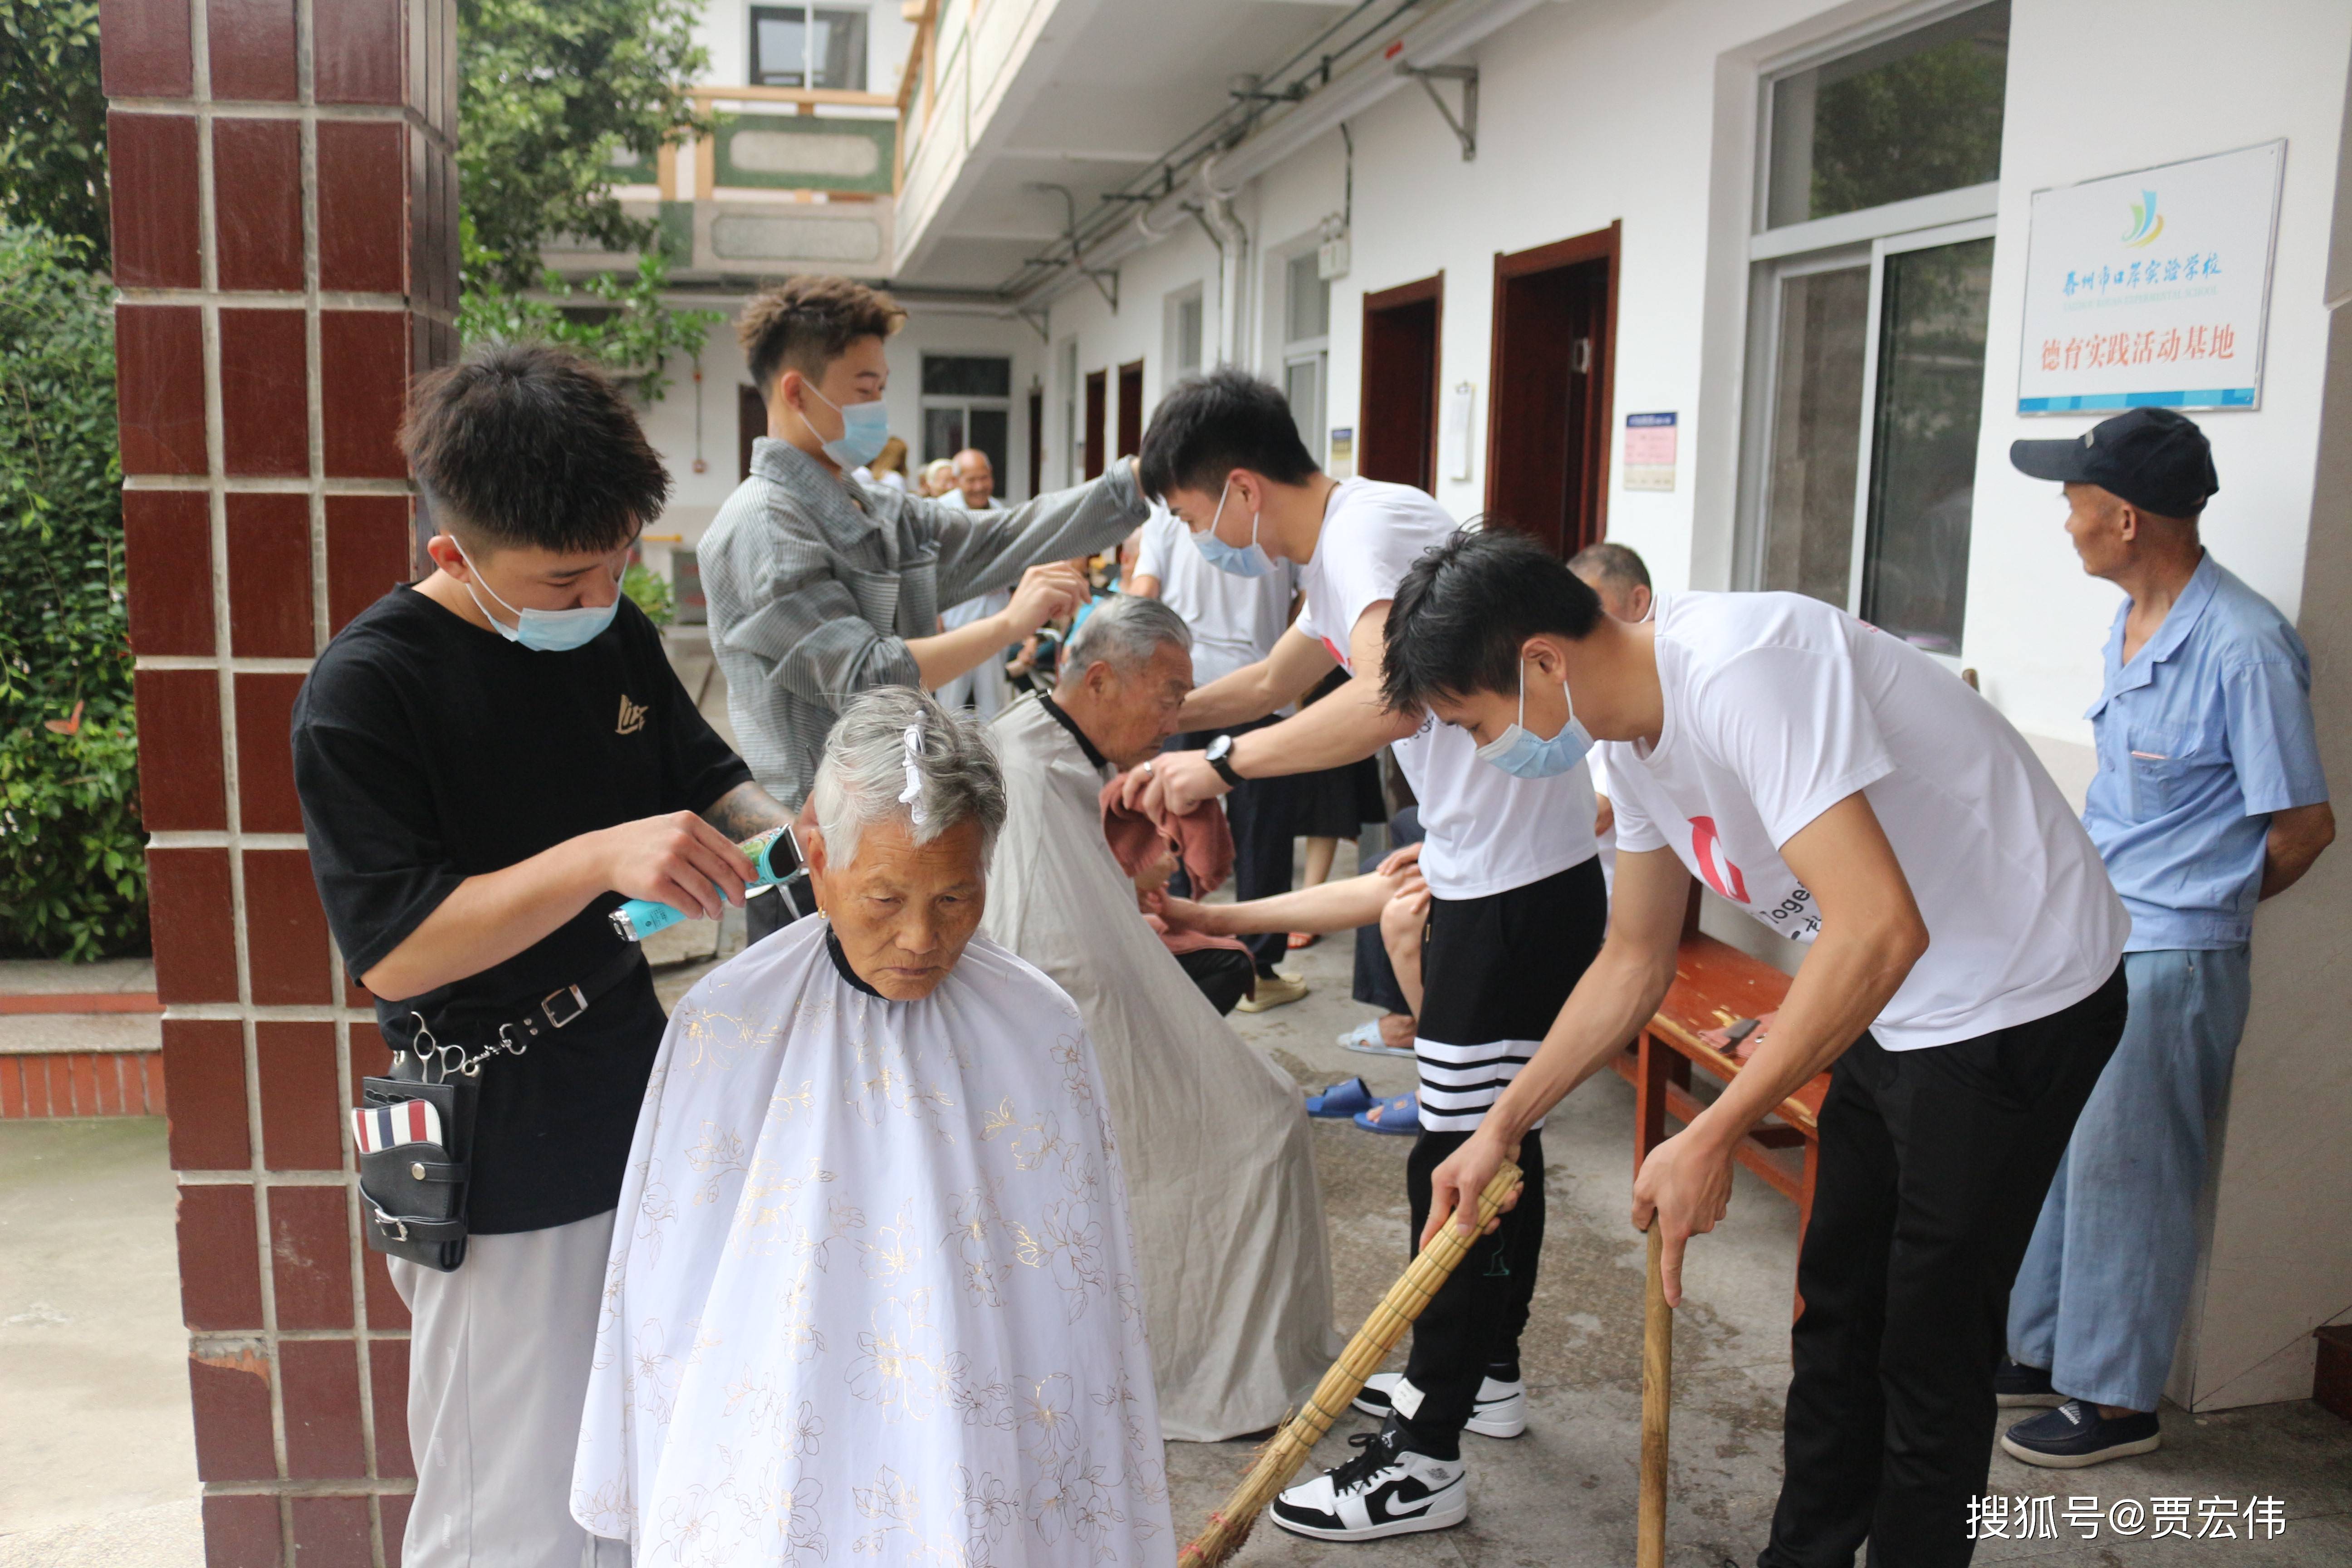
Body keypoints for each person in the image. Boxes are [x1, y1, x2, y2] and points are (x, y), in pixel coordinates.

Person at [1385, 529, 2132, 1568]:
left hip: (2019, 989)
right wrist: (1499, 1124)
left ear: (1542, 660)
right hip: (1903, 995)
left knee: (1927, 1345)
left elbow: (1876, 926)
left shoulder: (1745, 667)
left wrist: (1718, 1130)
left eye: (1473, 724)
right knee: (1836, 1316)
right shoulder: (1624, 736)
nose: (1479, 752)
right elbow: (1633, 958)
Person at [289, 345, 791, 1567]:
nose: (596, 600)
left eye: (618, 565)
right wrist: (597, 859)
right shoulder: (368, 693)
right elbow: (399, 954)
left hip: (641, 1084)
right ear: (452, 553)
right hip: (493, 1128)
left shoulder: (608, 630)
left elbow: (705, 778)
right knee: (507, 1505)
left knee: (638, 1451)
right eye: (564, 579)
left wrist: (796, 840)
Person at [1130, 370, 1603, 1541]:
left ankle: (1430, 1453)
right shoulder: (1333, 552)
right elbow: (1277, 682)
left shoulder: (1374, 529)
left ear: (1239, 488)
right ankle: (1480, 1376)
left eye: (1194, 521)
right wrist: (1143, 720)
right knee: (1484, 1147)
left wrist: (1225, 769)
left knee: (1458, 1161)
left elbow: (1393, 703)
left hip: (1510, 890)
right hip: (1474, 873)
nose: (1204, 544)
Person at [572, 688, 1174, 1565]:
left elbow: (1076, 1306)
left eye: (956, 897)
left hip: (980, 1403)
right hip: (787, 1411)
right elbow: (670, 1294)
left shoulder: (1039, 1028)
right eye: (885, 898)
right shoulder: (726, 1025)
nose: (921, 938)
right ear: (815, 857)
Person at [1998, 409, 2333, 1466]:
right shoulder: (2136, 617)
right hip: (2103, 936)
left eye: (2073, 503)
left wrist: (2205, 911)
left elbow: (2302, 827)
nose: (2064, 521)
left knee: (2132, 1174)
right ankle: (2042, 1347)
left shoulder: (2240, 644)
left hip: (2173, 953)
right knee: (2070, 1155)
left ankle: (2114, 1403)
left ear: (2126, 517)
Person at [697, 276, 1150, 945]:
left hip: (900, 824)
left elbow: (999, 538)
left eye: (881, 386)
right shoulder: (763, 526)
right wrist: (1008, 625)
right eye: (865, 388)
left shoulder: (871, 508)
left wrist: (1137, 484)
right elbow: (866, 678)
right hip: (818, 848)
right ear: (797, 390)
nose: (880, 406)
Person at [983, 593, 1341, 1441]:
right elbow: (1047, 947)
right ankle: (1212, 1371)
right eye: (1169, 693)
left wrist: (1138, 891)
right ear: (1099, 679)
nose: (1176, 714)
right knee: (1254, 1133)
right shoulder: (1030, 766)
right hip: (1070, 1031)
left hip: (1106, 986)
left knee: (1268, 1113)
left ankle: (1263, 1359)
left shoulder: (1057, 746)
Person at [1130, 500, 1306, 1005]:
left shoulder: (1169, 508)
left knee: (1174, 820)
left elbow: (1145, 591)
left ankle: (1182, 952)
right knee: (1261, 832)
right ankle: (1259, 969)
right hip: (1263, 678)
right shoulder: (1271, 505)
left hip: (1191, 684)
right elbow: (1306, 602)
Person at [1569, 539, 1654, 889]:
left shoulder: (1643, 698)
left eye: (1590, 605)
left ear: (1638, 602)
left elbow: (1595, 815)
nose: (1575, 624)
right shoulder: (1576, 681)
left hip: (1601, 891)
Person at [936, 447, 1017, 722]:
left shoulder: (1002, 513)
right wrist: (933, 613)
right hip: (954, 620)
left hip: (993, 619)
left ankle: (992, 762)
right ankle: (943, 762)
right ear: (958, 480)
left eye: (984, 478)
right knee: (950, 702)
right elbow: (929, 569)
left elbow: (1016, 564)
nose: (979, 486)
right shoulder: (941, 511)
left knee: (993, 703)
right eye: (971, 480)